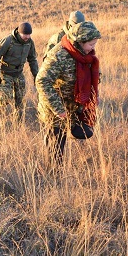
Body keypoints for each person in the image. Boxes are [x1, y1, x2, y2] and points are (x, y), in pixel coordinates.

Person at [36, 21, 101, 164]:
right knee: (56, 147)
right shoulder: (58, 55)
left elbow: (92, 76)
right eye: (91, 44)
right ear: (80, 41)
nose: (93, 48)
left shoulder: (86, 56)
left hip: (74, 106)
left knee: (85, 132)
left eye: (94, 44)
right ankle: (53, 178)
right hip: (55, 109)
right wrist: (58, 109)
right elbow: (41, 81)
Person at [0, 22, 40, 124]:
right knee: (7, 99)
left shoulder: (29, 42)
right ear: (19, 33)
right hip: (6, 73)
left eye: (29, 34)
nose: (27, 37)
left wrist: (36, 76)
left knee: (20, 101)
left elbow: (32, 59)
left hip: (19, 73)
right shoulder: (8, 41)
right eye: (25, 35)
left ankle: (18, 124)